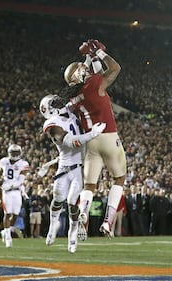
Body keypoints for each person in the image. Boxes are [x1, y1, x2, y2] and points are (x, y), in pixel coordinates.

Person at [62, 38, 126, 238]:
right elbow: (115, 69)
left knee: (89, 185)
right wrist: (98, 53)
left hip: (90, 141)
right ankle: (108, 222)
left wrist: (87, 59)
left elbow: (83, 77)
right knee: (119, 178)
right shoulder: (93, 85)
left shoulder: (73, 97)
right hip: (108, 135)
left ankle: (83, 213)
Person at [39, 94, 105, 253]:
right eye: (55, 103)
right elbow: (71, 141)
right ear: (49, 111)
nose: (60, 103)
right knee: (58, 199)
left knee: (72, 203)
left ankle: (72, 234)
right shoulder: (52, 124)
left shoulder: (68, 113)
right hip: (64, 167)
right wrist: (93, 134)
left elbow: (76, 100)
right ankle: (53, 224)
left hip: (78, 168)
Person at [0, 144, 30, 248]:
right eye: (13, 153)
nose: (15, 154)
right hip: (6, 192)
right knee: (7, 213)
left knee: (15, 215)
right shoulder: (4, 161)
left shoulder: (23, 164)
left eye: (16, 153)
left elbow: (21, 180)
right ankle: (8, 238)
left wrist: (10, 185)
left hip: (16, 191)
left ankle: (5, 232)